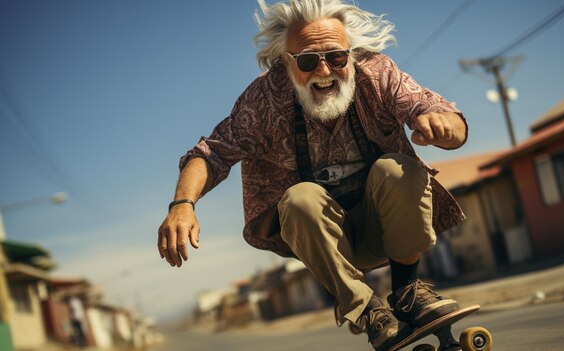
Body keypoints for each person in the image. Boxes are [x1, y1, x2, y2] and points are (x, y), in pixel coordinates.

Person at [158, 1, 468, 350]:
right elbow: (211, 153)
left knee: (397, 168)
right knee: (300, 197)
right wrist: (182, 204)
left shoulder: (376, 74)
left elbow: (439, 111)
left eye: (336, 57)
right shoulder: (265, 99)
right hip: (327, 245)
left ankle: (408, 291)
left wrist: (444, 127)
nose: (324, 71)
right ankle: (367, 311)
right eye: (308, 61)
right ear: (286, 63)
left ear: (350, 54)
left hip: (387, 229)